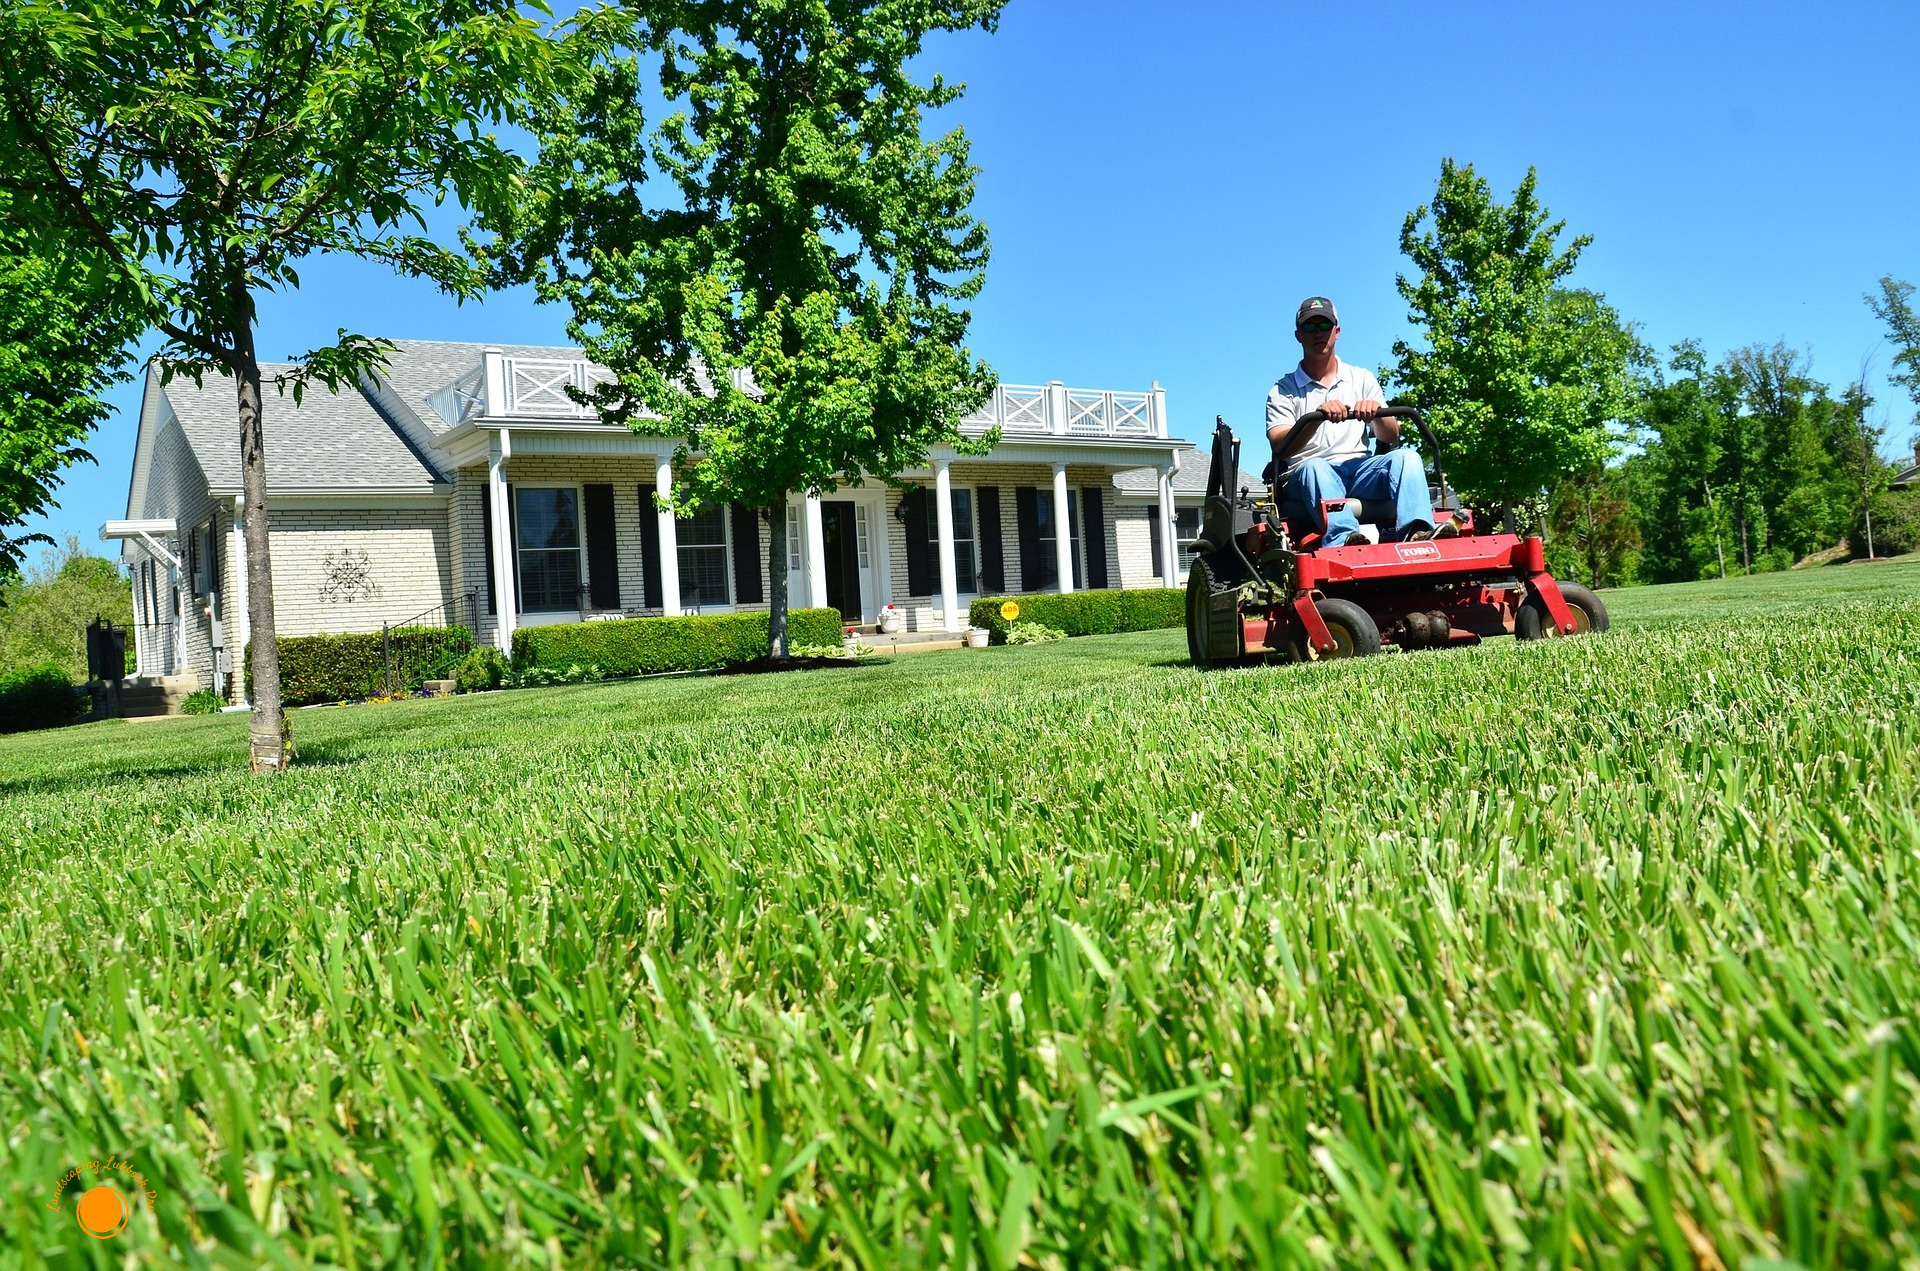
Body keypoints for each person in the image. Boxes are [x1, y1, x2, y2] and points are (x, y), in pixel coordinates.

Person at [1265, 296, 1452, 545]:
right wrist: (1317, 419)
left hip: (1359, 470)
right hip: (1308, 476)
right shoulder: (1283, 389)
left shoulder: (1361, 378)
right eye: (1310, 327)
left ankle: (1416, 532)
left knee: (1407, 457)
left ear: (1337, 331)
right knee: (1315, 467)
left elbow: (1390, 435)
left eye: (1325, 326)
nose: (1318, 333)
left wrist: (1377, 414)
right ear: (1298, 335)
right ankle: (1344, 539)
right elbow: (1280, 444)